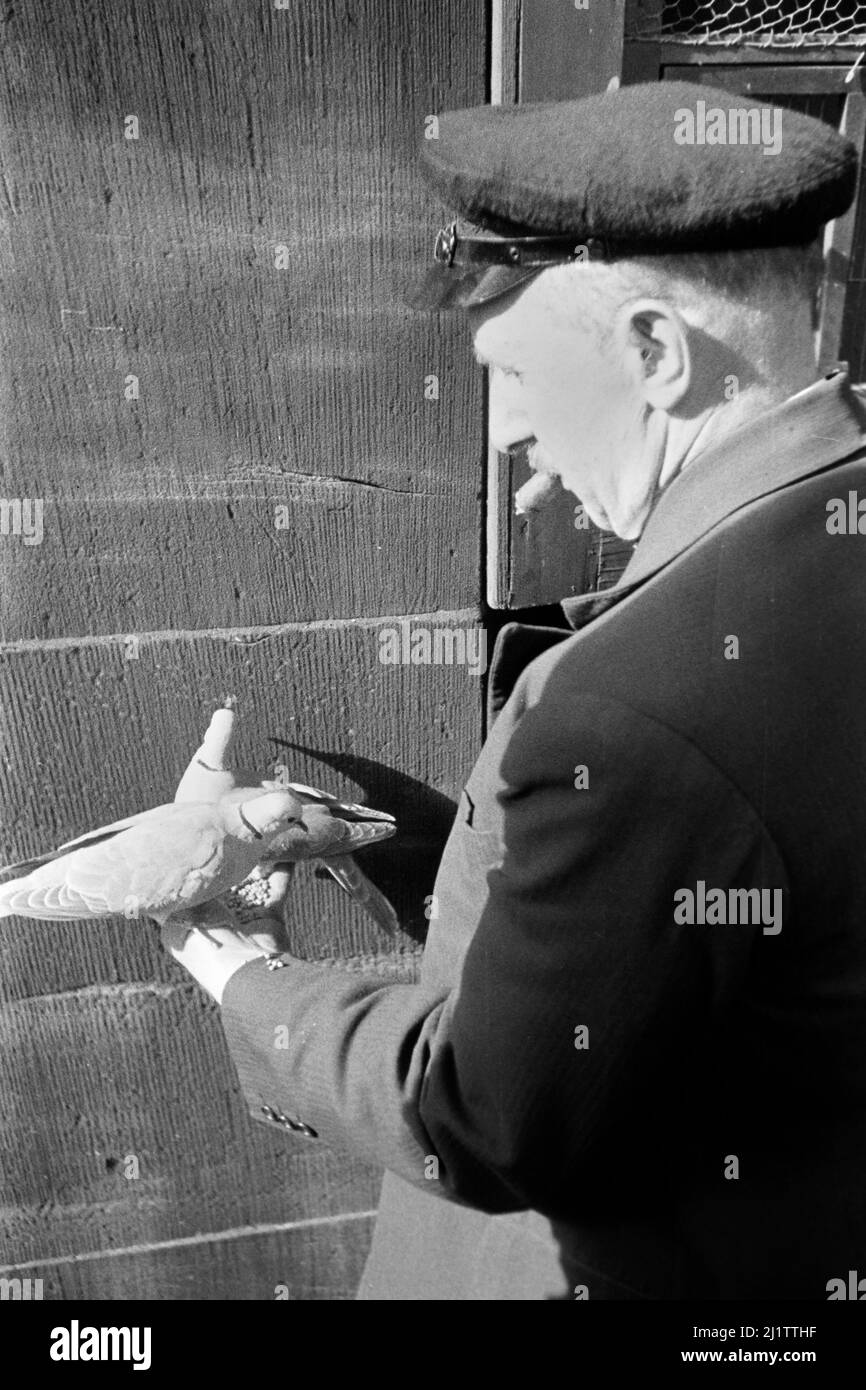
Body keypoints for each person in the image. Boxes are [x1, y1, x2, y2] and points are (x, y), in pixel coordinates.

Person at [163, 82, 866, 1299]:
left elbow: (482, 1113)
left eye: (516, 372)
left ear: (655, 352)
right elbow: (658, 911)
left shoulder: (638, 704)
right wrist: (370, 839)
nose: (503, 435)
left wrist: (235, 965)